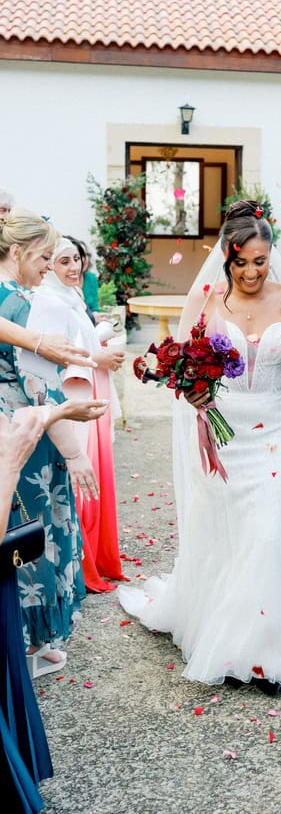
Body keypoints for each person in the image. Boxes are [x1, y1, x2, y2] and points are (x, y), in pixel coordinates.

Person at [120, 200, 281, 693]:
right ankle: (230, 637)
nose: (250, 272)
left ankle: (265, 653)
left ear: (271, 255)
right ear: (226, 257)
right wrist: (195, 394)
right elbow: (182, 367)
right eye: (240, 262)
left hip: (276, 429)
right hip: (222, 431)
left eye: (260, 261)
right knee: (230, 532)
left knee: (268, 532)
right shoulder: (206, 300)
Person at [0, 210, 99, 678]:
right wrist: (75, 453)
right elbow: (41, 387)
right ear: (18, 252)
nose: (48, 268)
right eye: (43, 258)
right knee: (33, 534)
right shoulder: (23, 303)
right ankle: (30, 644)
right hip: (29, 438)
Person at [1, 400, 108, 813]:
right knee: (27, 546)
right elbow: (35, 389)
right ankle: (33, 641)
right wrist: (12, 463)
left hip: (25, 438)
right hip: (19, 454)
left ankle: (31, 641)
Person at [27, 238, 126, 593]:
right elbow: (51, 354)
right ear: (48, 265)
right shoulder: (47, 301)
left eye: (77, 260)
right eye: (63, 261)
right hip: (73, 394)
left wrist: (98, 349)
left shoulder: (73, 297)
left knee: (95, 473)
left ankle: (95, 555)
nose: (74, 268)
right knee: (80, 478)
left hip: (91, 388)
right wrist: (97, 358)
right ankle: (81, 564)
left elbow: (76, 341)